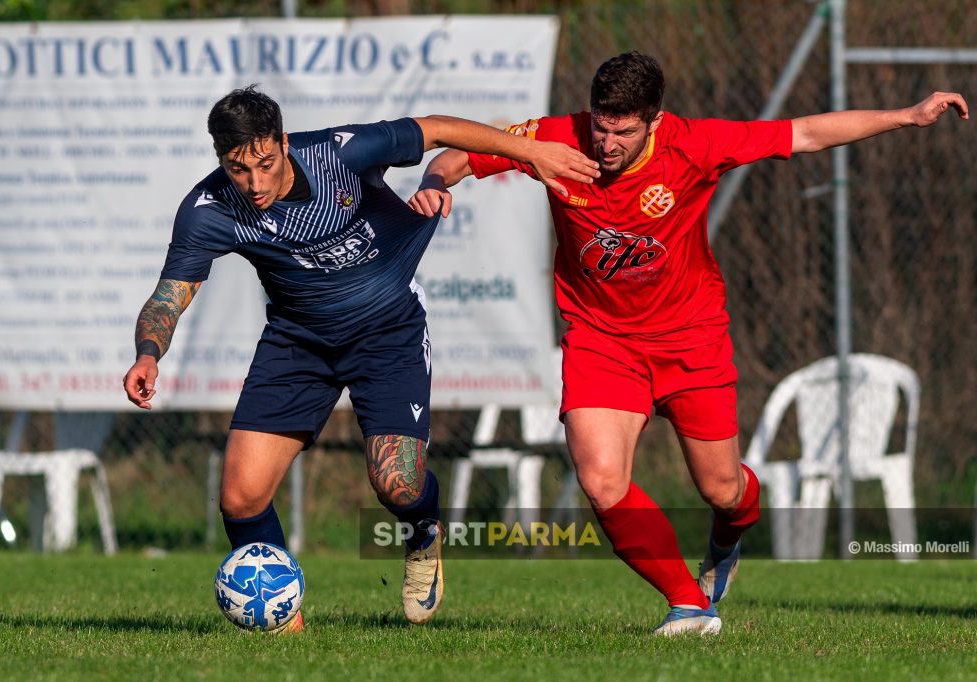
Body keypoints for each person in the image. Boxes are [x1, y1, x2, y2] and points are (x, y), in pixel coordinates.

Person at [409, 51, 969, 636]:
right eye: (601, 126)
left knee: (722, 489)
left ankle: (727, 540)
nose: (605, 143)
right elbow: (459, 156)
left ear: (654, 120)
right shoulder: (558, 138)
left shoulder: (693, 145)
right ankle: (689, 604)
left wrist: (905, 115)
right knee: (601, 479)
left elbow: (803, 132)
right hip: (602, 339)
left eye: (623, 131)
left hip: (690, 337)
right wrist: (431, 183)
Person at [122, 85, 600, 632]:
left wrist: (533, 152)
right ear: (219, 160)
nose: (254, 183)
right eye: (237, 169)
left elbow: (437, 128)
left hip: (387, 332)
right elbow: (167, 297)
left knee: (397, 484)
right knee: (240, 496)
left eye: (264, 163)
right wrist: (148, 354)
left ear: (282, 142)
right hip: (298, 344)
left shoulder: (337, 154)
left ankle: (423, 535)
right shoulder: (206, 211)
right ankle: (282, 623)